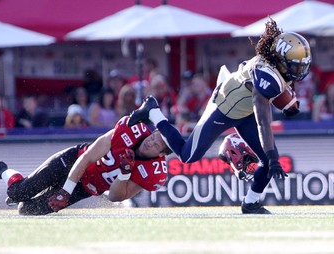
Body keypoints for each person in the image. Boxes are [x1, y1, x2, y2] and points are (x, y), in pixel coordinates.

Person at [128, 19, 312, 214]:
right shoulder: (268, 76)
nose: (299, 70)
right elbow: (263, 122)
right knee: (187, 155)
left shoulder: (273, 67)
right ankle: (153, 110)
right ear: (282, 61)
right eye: (296, 65)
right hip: (223, 107)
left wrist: (286, 104)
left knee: (266, 161)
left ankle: (250, 203)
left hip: (243, 107)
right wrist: (273, 156)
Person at [0, 116, 171, 215]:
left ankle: (24, 191)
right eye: (154, 136)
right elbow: (87, 158)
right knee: (19, 192)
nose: (151, 141)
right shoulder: (130, 129)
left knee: (27, 210)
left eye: (157, 144)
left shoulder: (155, 172)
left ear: (161, 154)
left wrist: (125, 174)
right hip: (71, 162)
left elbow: (116, 196)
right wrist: (65, 190)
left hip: (86, 188)